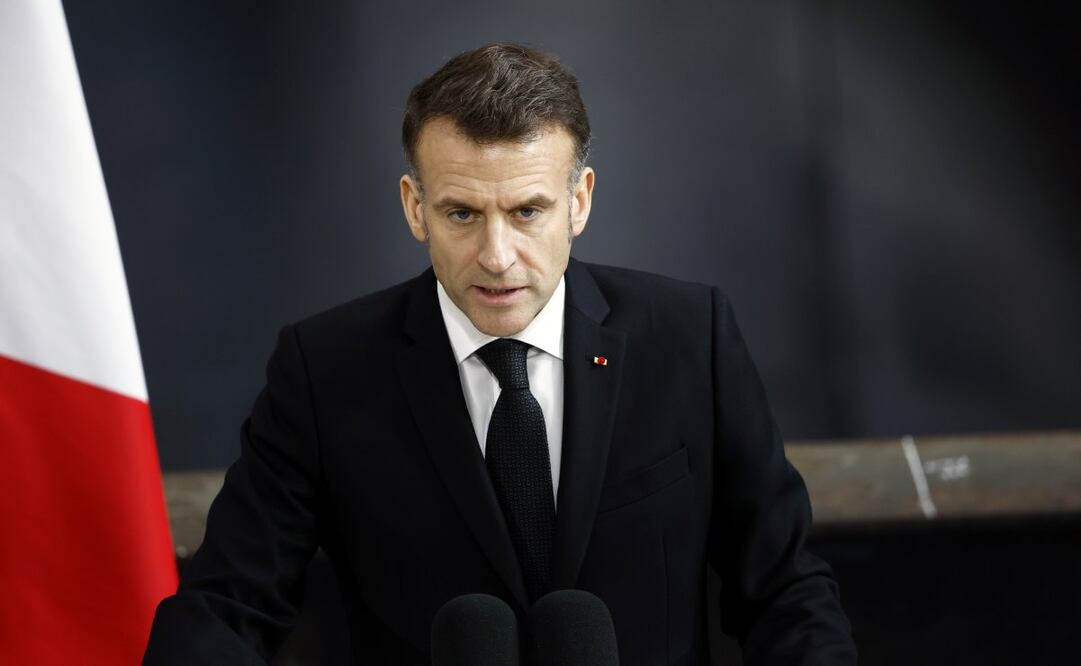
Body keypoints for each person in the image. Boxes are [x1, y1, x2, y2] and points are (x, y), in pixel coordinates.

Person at [144, 42, 857, 665]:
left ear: (578, 201)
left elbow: (784, 589)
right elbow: (229, 606)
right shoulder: (324, 369)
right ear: (413, 207)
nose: (496, 256)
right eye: (461, 213)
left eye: (526, 212)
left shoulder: (687, 337)